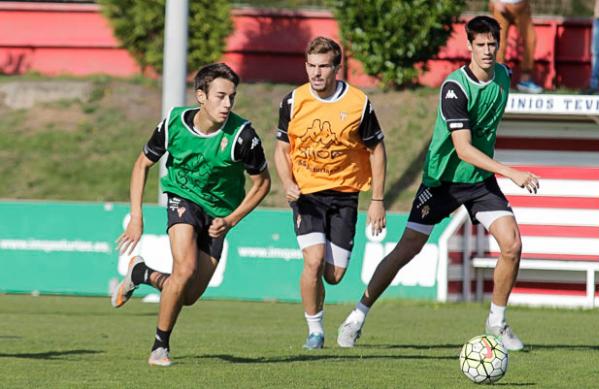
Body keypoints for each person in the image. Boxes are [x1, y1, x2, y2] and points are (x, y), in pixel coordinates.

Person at [337, 16, 539, 351]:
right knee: (407, 250)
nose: (488, 50)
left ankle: (497, 322)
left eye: (493, 44)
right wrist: (511, 171)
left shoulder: (504, 75)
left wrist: (495, 172)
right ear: (469, 46)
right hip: (443, 181)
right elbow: (463, 148)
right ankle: (357, 315)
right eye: (481, 44)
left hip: (478, 182)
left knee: (512, 245)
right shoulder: (454, 87)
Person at [112, 63, 271, 366]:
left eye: (231, 98)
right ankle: (160, 347)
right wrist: (136, 216)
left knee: (188, 295)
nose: (227, 104)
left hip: (219, 215)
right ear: (201, 95)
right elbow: (141, 164)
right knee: (183, 270)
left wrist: (231, 219)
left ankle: (141, 273)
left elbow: (262, 184)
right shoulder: (173, 123)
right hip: (182, 199)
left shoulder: (242, 136)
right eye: (220, 96)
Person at [273, 36, 387, 350]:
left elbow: (377, 150)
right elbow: (281, 149)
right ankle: (315, 331)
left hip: (346, 195)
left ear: (337, 68)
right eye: (311, 65)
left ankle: (318, 303)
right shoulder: (293, 101)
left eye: (324, 66)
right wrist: (287, 182)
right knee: (313, 260)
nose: (316, 73)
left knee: (333, 275)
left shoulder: (358, 103)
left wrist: (377, 200)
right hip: (307, 195)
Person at [489, 0, 544, 94]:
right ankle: (498, 81)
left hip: (522, 5)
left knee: (531, 39)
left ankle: (525, 81)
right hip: (501, 5)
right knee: (500, 43)